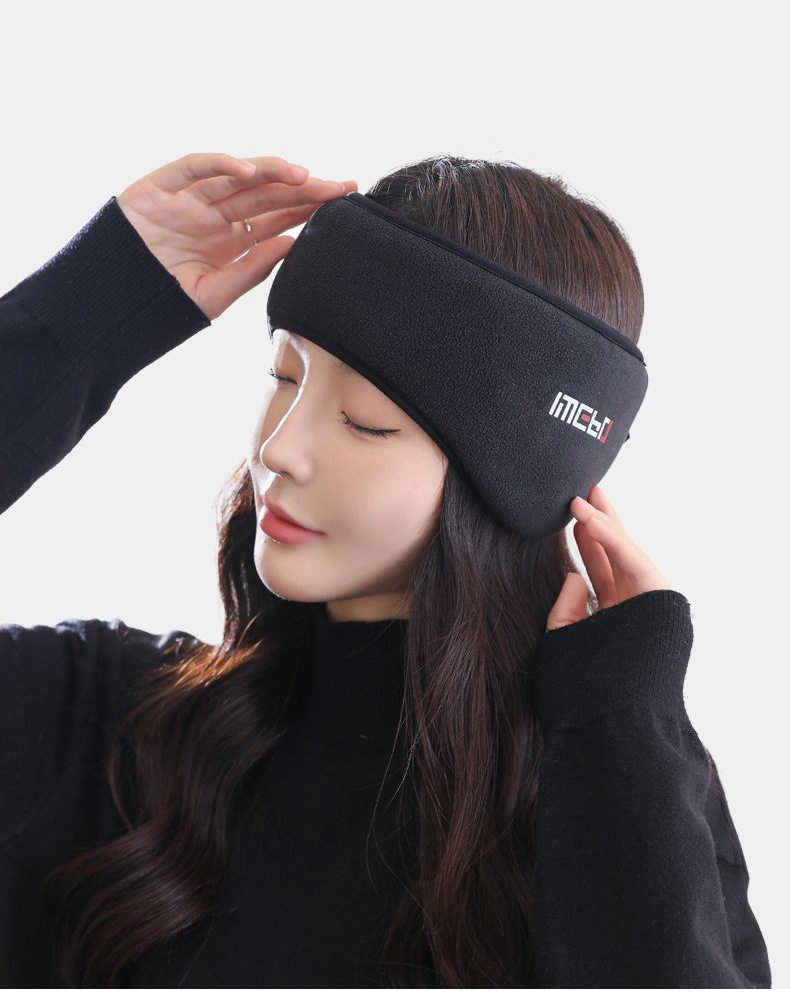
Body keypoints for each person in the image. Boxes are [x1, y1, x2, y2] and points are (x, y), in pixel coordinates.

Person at [0, 151, 771, 988]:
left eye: (364, 421)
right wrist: (83, 313)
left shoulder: (618, 804)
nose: (280, 448)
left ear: (506, 481)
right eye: (283, 376)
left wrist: (624, 720)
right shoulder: (109, 730)